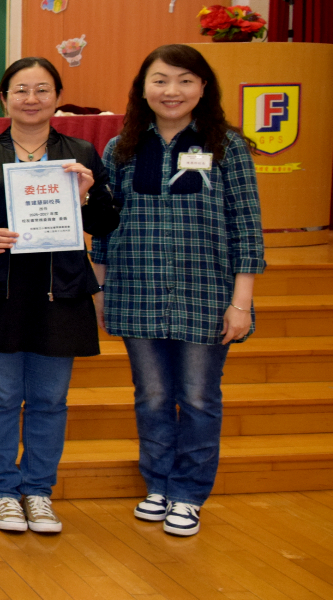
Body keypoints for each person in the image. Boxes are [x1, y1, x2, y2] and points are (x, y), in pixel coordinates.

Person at [93, 44, 264, 537]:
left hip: (206, 294)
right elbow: (103, 228)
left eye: (185, 80)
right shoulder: (120, 148)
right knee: (150, 395)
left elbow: (247, 228)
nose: (172, 91)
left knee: (198, 397)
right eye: (161, 80)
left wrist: (241, 304)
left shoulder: (227, 146)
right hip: (136, 290)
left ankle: (188, 493)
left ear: (203, 88)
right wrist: (99, 292)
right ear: (143, 88)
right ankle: (158, 485)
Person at [0, 57, 119, 535]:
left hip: (60, 290)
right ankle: (3, 491)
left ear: (57, 98)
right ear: (4, 98)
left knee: (49, 399)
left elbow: (106, 221)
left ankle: (39, 491)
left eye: (43, 89)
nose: (31, 99)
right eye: (21, 90)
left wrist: (86, 196)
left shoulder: (79, 152)